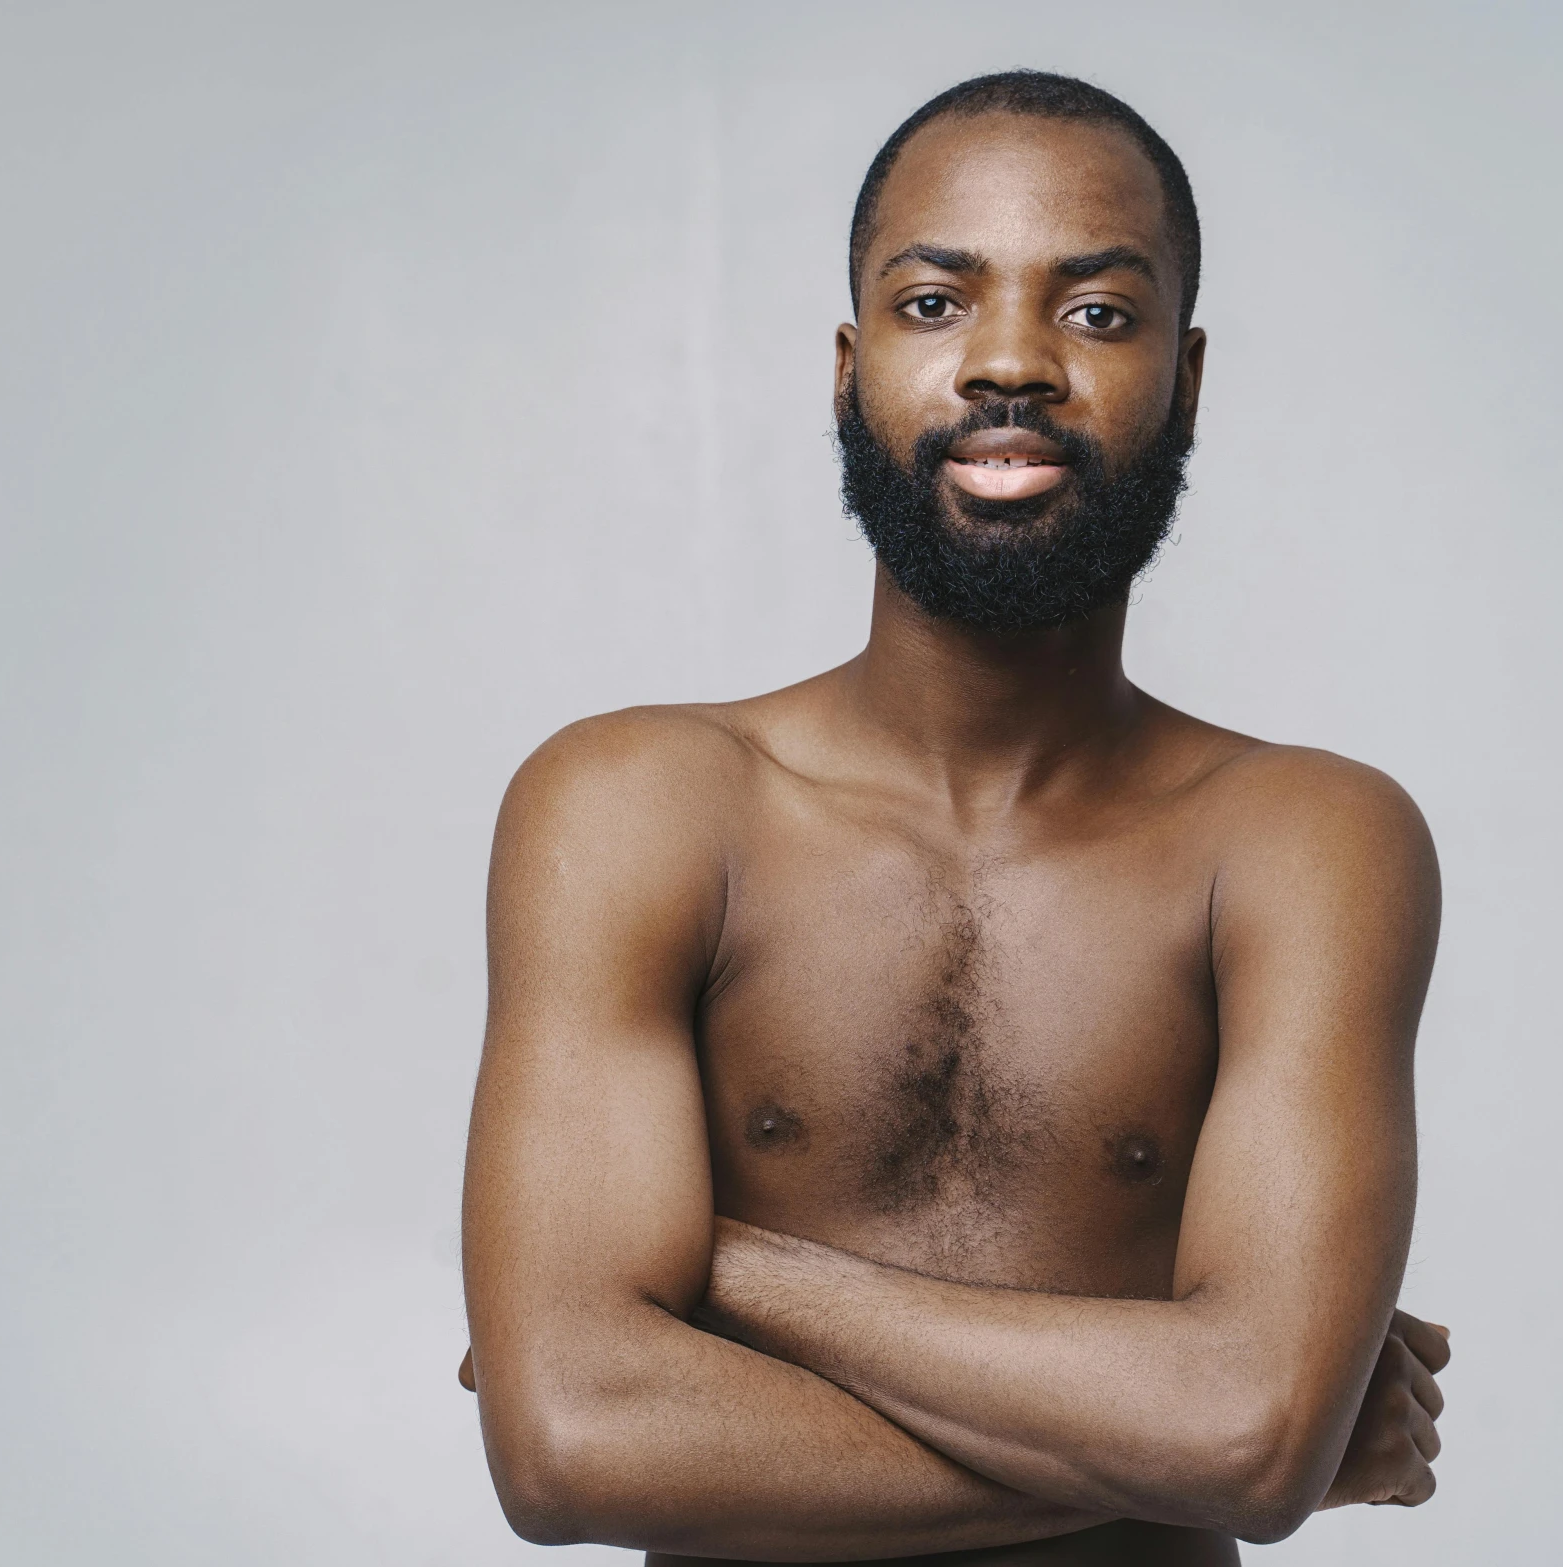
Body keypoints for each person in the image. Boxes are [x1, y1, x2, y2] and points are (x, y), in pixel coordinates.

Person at [457, 70, 1448, 1565]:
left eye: (1095, 314)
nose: (1009, 364)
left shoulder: (1303, 842)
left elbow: (1250, 1429)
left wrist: (734, 1281)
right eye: (934, 304)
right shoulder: (636, 808)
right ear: (848, 366)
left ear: (1186, 379)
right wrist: (1203, 1434)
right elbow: (571, 1442)